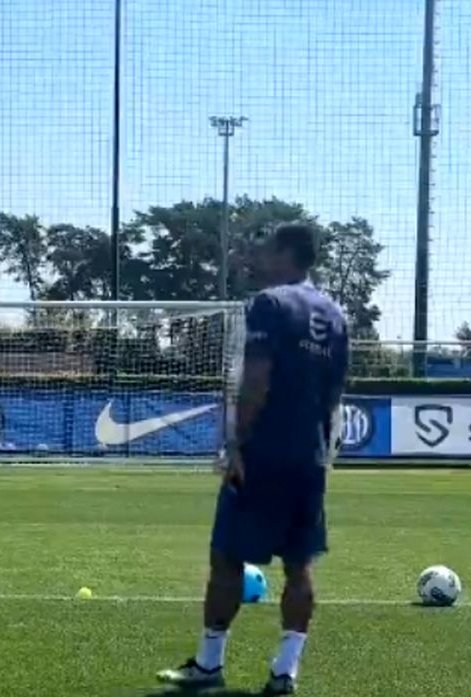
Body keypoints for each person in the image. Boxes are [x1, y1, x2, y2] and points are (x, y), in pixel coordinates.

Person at [156, 223, 349, 696]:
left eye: (267, 249)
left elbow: (257, 380)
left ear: (285, 252)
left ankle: (209, 665)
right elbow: (334, 395)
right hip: (309, 455)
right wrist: (322, 450)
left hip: (264, 452)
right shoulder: (335, 315)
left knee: (226, 556)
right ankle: (285, 672)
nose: (261, 257)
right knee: (299, 564)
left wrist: (236, 445)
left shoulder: (269, 303)